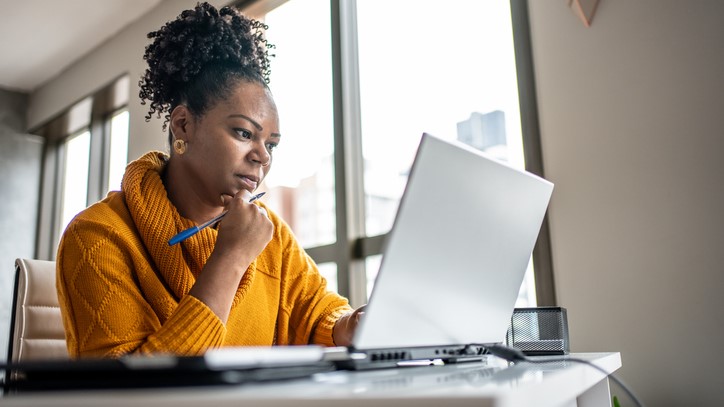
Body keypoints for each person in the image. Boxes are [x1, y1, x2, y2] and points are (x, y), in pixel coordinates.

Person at [56, 2, 363, 358]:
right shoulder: (97, 236)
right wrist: (231, 258)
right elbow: (128, 394)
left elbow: (317, 313)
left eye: (272, 144)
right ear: (183, 124)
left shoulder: (271, 234)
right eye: (244, 133)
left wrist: (348, 324)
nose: (262, 156)